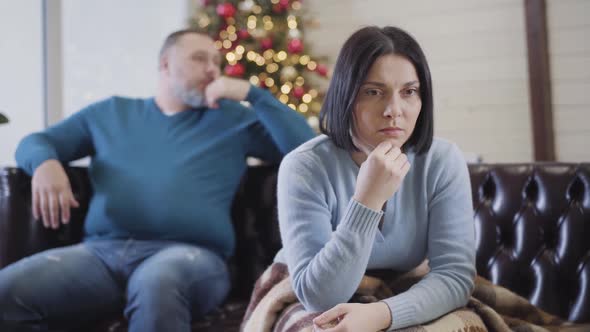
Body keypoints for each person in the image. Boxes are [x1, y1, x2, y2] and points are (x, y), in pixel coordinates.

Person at [0, 28, 314, 332]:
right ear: (165, 64)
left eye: (216, 63)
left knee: (157, 281)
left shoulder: (233, 119)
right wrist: (45, 163)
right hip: (101, 255)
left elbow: (307, 149)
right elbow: (35, 142)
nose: (212, 70)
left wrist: (252, 95)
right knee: (8, 290)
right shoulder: (111, 113)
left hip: (192, 257)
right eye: (199, 59)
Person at [273, 26, 476, 331]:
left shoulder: (442, 160)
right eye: (373, 92)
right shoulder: (304, 167)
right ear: (346, 96)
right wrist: (367, 201)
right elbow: (319, 296)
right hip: (314, 290)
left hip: (409, 289)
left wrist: (381, 314)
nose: (394, 110)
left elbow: (455, 276)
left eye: (409, 92)